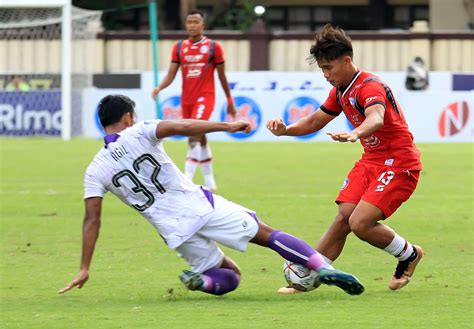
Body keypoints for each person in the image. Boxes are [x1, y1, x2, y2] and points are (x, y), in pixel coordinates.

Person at [58, 94, 364, 297]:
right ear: (128, 118)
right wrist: (227, 125)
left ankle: (201, 281)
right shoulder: (140, 131)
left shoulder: (94, 170)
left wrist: (85, 267)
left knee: (230, 276)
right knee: (266, 233)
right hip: (198, 206)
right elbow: (183, 125)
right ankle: (324, 268)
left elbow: (92, 219)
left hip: (173, 231)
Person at [267, 24, 424, 294]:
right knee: (343, 217)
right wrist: (286, 131)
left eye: (329, 68)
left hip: (399, 163)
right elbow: (316, 120)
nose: (326, 75)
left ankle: (408, 254)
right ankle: (314, 274)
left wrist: (357, 132)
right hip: (372, 161)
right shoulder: (341, 89)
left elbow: (377, 117)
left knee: (360, 223)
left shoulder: (369, 87)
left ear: (346, 61)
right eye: (322, 69)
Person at [151, 9, 235, 193]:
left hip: (205, 97)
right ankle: (210, 181)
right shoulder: (179, 47)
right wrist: (160, 87)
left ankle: (186, 179)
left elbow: (221, 76)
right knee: (201, 135)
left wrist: (229, 99)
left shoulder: (214, 47)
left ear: (203, 25)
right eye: (189, 22)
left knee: (193, 134)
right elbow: (171, 74)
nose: (192, 25)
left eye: (196, 22)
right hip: (187, 99)